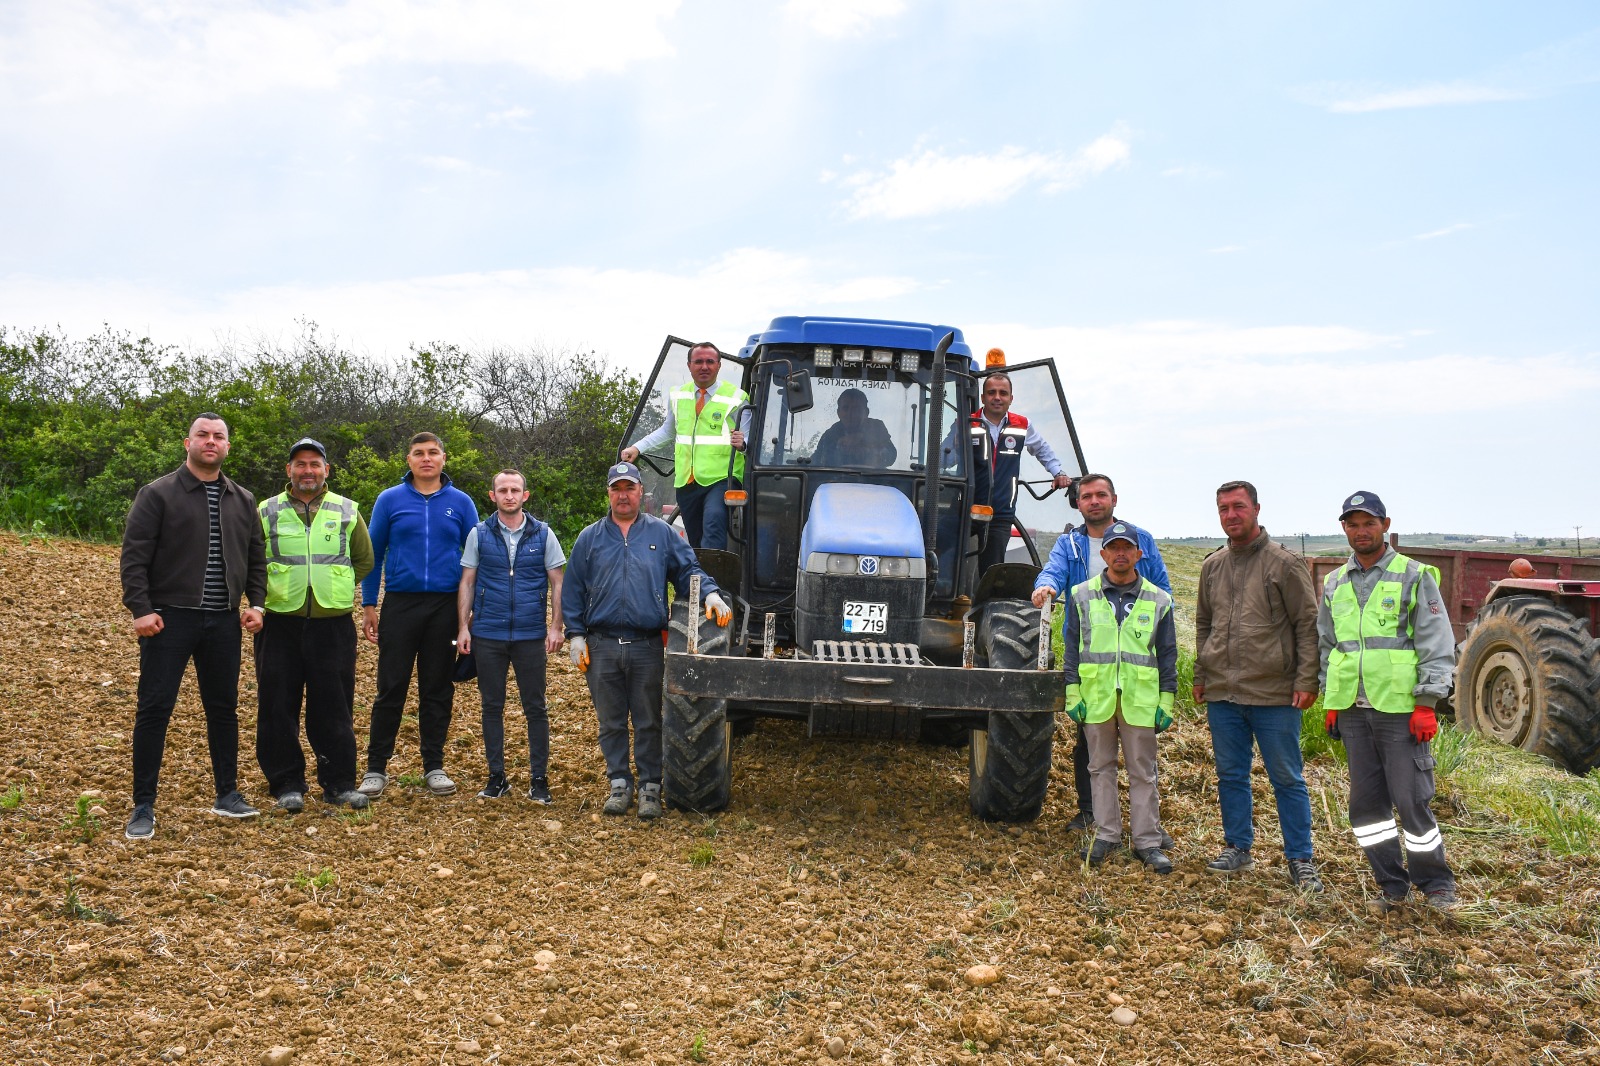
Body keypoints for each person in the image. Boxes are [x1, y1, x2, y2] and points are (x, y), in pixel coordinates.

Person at [119, 413, 267, 839]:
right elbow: (134, 556)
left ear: (227, 447)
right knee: (155, 708)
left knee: (223, 709)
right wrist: (140, 608)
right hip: (170, 619)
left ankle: (227, 794)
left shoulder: (242, 499)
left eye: (218, 436)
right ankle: (143, 805)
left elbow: (256, 558)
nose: (210, 441)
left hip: (223, 620)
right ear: (188, 443)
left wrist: (256, 603)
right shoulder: (157, 494)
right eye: (203, 435)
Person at [561, 462, 730, 821]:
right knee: (610, 722)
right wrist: (575, 635)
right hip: (602, 644)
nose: (623, 495)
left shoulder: (662, 534)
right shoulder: (590, 538)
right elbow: (572, 589)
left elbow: (688, 570)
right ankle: (619, 784)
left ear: (641, 492)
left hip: (647, 645)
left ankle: (651, 787)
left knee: (649, 720)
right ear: (608, 493)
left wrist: (710, 594)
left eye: (629, 488)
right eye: (616, 488)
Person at [1317, 491, 1458, 911]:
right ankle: (1392, 886)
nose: (1361, 531)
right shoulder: (1334, 582)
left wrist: (1427, 703)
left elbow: (1436, 642)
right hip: (1352, 711)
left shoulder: (1414, 575)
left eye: (1369, 523)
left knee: (1412, 801)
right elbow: (1329, 645)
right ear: (1344, 529)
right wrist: (1331, 699)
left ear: (1385, 525)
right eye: (1353, 524)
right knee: (1365, 807)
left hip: (1400, 710)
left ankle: (1436, 885)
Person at [1193, 480, 1322, 889]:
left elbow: (1307, 626)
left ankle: (1300, 858)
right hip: (1223, 693)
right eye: (1224, 508)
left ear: (1256, 509)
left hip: (1275, 694)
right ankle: (1238, 848)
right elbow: (1204, 624)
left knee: (1287, 778)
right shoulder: (1213, 566)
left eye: (1238, 506)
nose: (1231, 515)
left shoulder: (1284, 564)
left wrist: (1306, 679)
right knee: (1231, 775)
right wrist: (1201, 673)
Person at [1031, 473, 1171, 833]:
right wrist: (1046, 587)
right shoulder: (1070, 543)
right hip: (1092, 658)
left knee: (1141, 751)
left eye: (1101, 495)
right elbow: (1053, 572)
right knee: (1089, 742)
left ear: (1114, 500)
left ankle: (1148, 827)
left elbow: (1162, 590)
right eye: (1087, 496)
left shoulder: (1140, 539)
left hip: (1136, 658)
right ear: (1078, 503)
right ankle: (1090, 811)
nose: (1094, 501)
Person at [254, 438, 374, 813]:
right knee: (277, 705)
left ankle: (339, 784)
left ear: (326, 470)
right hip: (279, 622)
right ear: (288, 470)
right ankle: (286, 784)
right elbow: (251, 561)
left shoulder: (347, 510)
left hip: (332, 624)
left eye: (315, 464)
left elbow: (364, 560)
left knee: (334, 706)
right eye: (300, 464)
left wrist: (333, 584)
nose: (308, 471)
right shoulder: (266, 511)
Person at [358, 432, 479, 799]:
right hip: (400, 604)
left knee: (437, 688)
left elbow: (476, 557)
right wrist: (369, 605)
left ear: (444, 459)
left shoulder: (461, 502)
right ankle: (376, 768)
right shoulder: (389, 500)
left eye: (433, 452)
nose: (426, 458)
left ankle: (434, 766)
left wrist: (471, 613)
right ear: (408, 460)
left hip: (445, 607)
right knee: (390, 687)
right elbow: (372, 554)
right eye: (418, 453)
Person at [1062, 522, 1178, 873]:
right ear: (1104, 554)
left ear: (1139, 554)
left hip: (1140, 700)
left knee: (1143, 772)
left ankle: (1148, 842)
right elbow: (1072, 647)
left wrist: (1167, 699)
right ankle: (1107, 834)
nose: (1121, 553)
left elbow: (1167, 654)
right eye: (1114, 548)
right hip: (1096, 696)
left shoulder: (1159, 600)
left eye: (1127, 548)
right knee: (1100, 768)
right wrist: (1072, 691)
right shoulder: (1081, 595)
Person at [457, 469, 566, 803]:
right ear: (493, 496)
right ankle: (497, 777)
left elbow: (558, 583)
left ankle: (539, 779)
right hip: (488, 634)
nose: (509, 495)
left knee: (536, 707)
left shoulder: (544, 534)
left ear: (524, 495)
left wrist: (556, 626)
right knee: (491, 706)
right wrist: (463, 627)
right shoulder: (478, 533)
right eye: (502, 490)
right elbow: (468, 582)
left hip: (530, 635)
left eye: (514, 490)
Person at [620, 342, 749, 550]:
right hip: (687, 481)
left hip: (722, 479)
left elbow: (749, 438)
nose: (704, 366)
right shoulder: (678, 395)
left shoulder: (737, 398)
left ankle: (711, 572)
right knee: (696, 541)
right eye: (698, 362)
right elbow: (667, 431)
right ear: (689, 365)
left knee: (714, 523)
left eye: (710, 361)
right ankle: (699, 571)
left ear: (719, 365)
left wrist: (742, 444)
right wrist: (637, 448)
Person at [972, 365, 1075, 574]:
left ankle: (985, 596)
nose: (997, 397)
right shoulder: (968, 422)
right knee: (950, 558)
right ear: (983, 397)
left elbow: (1042, 449)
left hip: (1001, 510)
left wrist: (1058, 473)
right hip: (966, 506)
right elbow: (946, 453)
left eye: (1003, 393)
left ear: (1011, 398)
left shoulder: (1021, 425)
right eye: (991, 392)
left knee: (991, 569)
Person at [811, 387, 897, 468]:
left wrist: (868, 445)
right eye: (846, 408)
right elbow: (818, 461)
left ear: (866, 412)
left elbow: (891, 455)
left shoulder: (877, 428)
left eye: (857, 409)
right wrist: (839, 446)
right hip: (837, 478)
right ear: (838, 413)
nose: (851, 414)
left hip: (874, 477)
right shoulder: (830, 435)